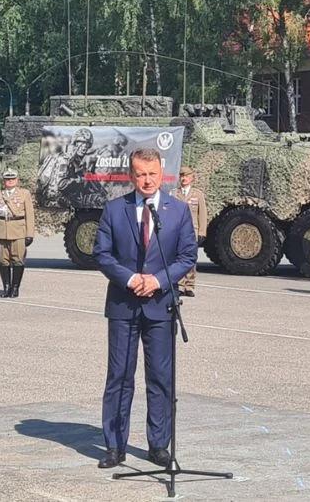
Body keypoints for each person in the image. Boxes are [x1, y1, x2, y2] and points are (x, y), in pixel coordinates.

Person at [93, 148, 198, 470]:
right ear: (131, 175)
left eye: (152, 173)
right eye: (140, 174)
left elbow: (187, 255)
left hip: (160, 306)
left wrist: (158, 280)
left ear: (161, 173)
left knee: (161, 378)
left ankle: (158, 445)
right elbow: (102, 253)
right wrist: (131, 278)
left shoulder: (177, 211)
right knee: (120, 377)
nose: (147, 180)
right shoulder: (114, 209)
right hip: (124, 306)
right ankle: (114, 446)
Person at [0, 169, 36, 298]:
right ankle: (6, 287)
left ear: (17, 180)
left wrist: (30, 234)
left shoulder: (24, 194)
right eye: (7, 179)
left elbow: (30, 215)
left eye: (12, 179)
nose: (10, 181)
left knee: (18, 260)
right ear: (3, 181)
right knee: (3, 261)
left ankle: (15, 288)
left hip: (19, 231)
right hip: (1, 231)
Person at [169, 166, 208, 297]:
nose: (184, 178)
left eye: (186, 176)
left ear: (192, 178)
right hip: (177, 232)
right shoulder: (174, 194)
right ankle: (179, 285)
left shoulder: (198, 195)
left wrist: (202, 232)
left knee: (191, 260)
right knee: (178, 259)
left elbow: (202, 214)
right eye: (181, 176)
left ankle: (189, 285)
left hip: (192, 231)